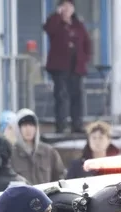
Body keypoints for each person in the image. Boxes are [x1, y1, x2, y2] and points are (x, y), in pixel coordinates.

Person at [43, 0, 91, 133]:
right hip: (59, 67)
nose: (67, 9)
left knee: (77, 96)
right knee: (61, 96)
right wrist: (57, 15)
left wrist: (85, 58)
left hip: (76, 67)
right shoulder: (55, 22)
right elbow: (48, 28)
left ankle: (77, 125)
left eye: (69, 6)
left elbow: (87, 43)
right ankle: (61, 126)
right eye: (64, 6)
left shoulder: (78, 25)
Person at [12, 109, 66, 185]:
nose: (28, 129)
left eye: (31, 125)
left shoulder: (49, 152)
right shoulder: (12, 154)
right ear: (18, 128)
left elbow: (60, 177)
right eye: (24, 125)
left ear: (36, 128)